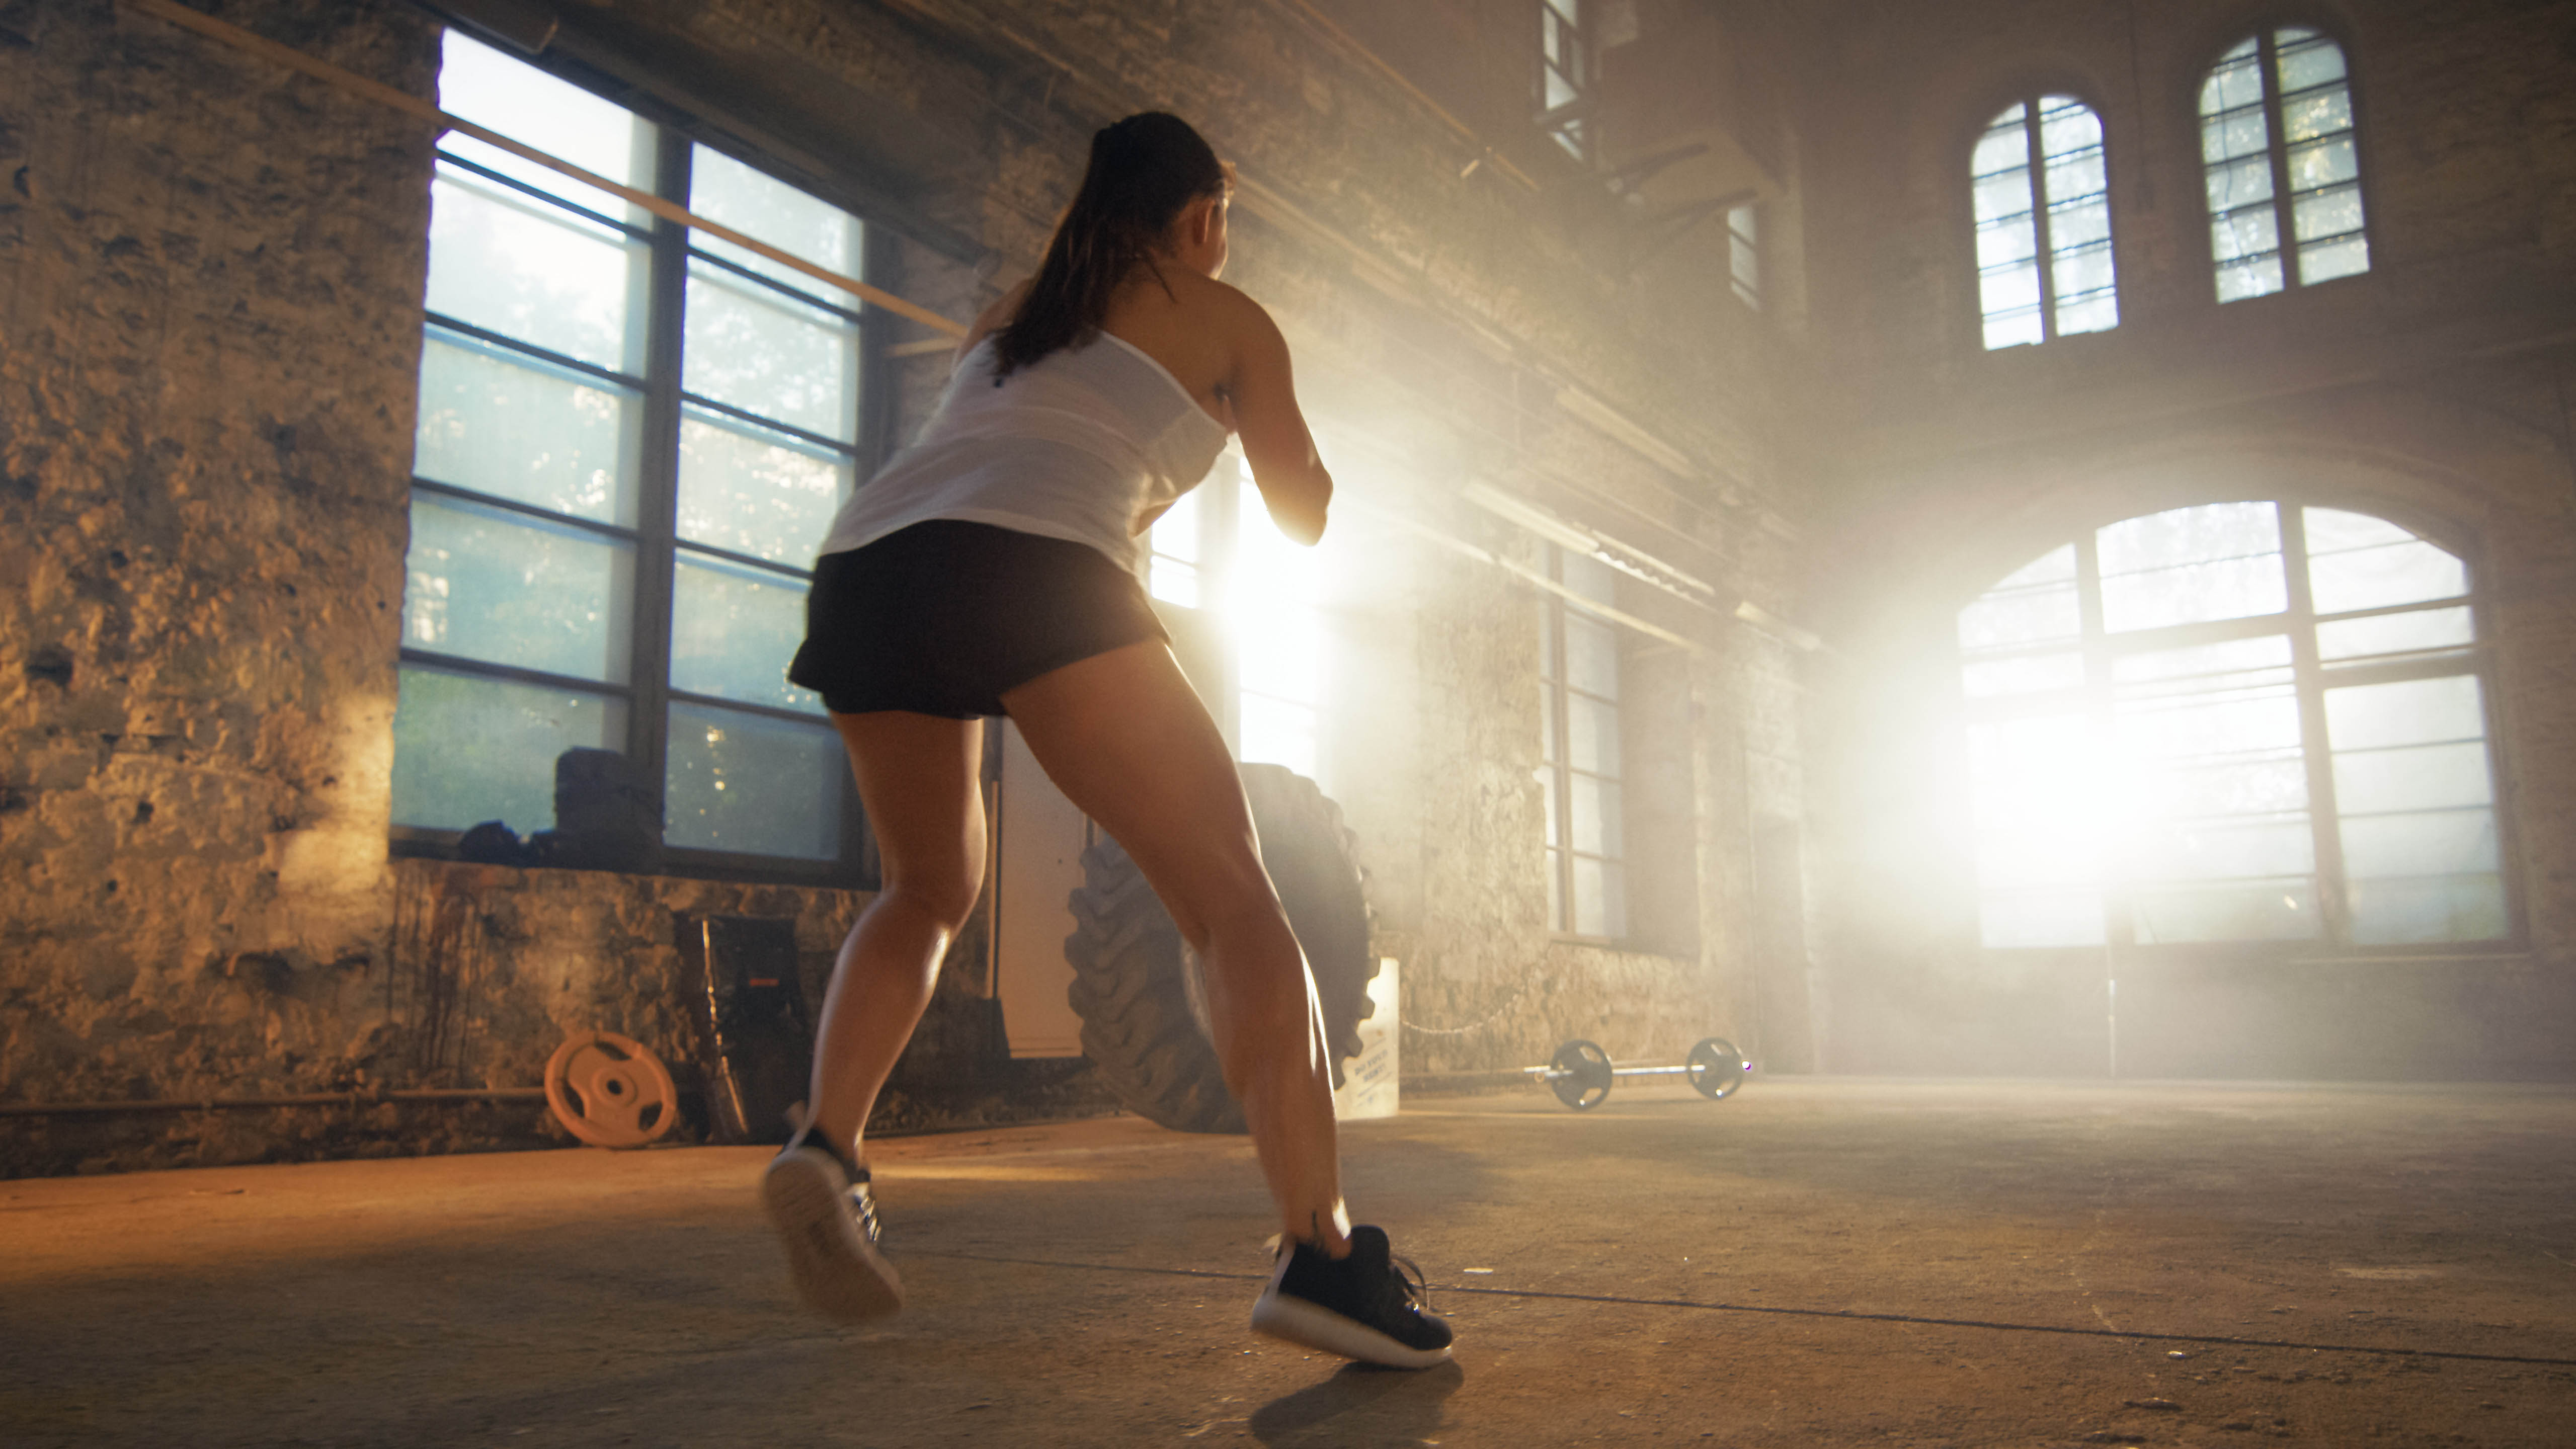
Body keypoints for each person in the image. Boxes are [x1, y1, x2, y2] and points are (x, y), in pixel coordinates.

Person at [759, 111, 1452, 1371]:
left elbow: (1009, 450)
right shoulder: (1227, 314)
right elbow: (1301, 515)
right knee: (1234, 908)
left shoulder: (1016, 311)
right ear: (1202, 219)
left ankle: (828, 1145)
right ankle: (1320, 1251)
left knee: (926, 887)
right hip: (1036, 566)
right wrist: (1259, 419)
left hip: (868, 564)